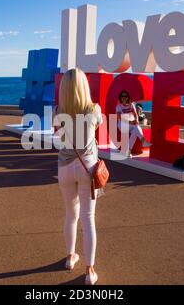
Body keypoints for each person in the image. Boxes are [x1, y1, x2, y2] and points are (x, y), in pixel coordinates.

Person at [53, 68, 103, 285]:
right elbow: (97, 126)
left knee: (70, 215)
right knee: (88, 218)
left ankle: (69, 257)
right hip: (87, 167)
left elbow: (57, 133)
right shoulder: (94, 109)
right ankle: (89, 271)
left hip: (64, 168)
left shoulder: (58, 110)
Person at [116, 91, 151, 157]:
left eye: (125, 96)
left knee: (136, 129)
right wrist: (131, 122)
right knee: (136, 127)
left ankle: (128, 151)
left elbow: (136, 115)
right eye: (122, 96)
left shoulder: (131, 105)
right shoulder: (119, 106)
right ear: (120, 97)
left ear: (128, 97)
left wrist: (136, 120)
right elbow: (120, 118)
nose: (124, 97)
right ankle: (143, 141)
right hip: (122, 124)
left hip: (132, 124)